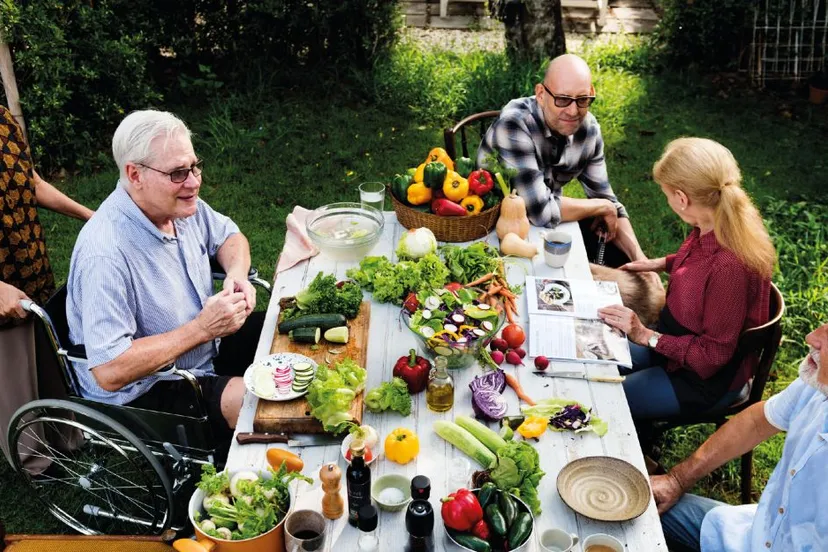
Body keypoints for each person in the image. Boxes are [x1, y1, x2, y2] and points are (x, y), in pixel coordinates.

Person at [66, 109, 261, 442]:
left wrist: (237, 274)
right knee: (260, 403)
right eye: (178, 173)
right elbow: (110, 370)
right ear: (135, 174)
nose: (194, 182)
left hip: (204, 348)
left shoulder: (177, 204)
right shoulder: (105, 254)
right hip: (144, 388)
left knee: (288, 337)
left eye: (195, 167)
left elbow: (230, 237)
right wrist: (202, 328)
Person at [598, 138, 776, 419]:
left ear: (681, 198)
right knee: (593, 364)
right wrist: (662, 263)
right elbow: (700, 264)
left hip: (701, 379)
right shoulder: (716, 222)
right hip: (672, 347)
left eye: (666, 194)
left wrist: (644, 335)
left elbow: (712, 356)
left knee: (604, 401)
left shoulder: (729, 267)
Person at [651, 322, 828, 551]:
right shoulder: (817, 385)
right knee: (638, 507)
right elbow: (756, 423)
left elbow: (712, 353)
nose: (811, 337)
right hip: (744, 534)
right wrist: (676, 480)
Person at [476, 53, 646, 267]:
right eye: (563, 99)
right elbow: (540, 210)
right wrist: (601, 206)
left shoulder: (589, 130)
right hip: (490, 231)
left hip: (547, 228)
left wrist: (642, 261)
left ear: (591, 93)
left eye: (582, 100)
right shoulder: (514, 123)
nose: (573, 111)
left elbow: (607, 201)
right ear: (540, 94)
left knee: (628, 267)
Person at [0, 105, 94, 471]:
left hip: (30, 268)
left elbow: (33, 183)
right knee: (11, 373)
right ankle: (33, 461)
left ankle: (66, 436)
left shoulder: (3, 119)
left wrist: (90, 216)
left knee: (49, 354)